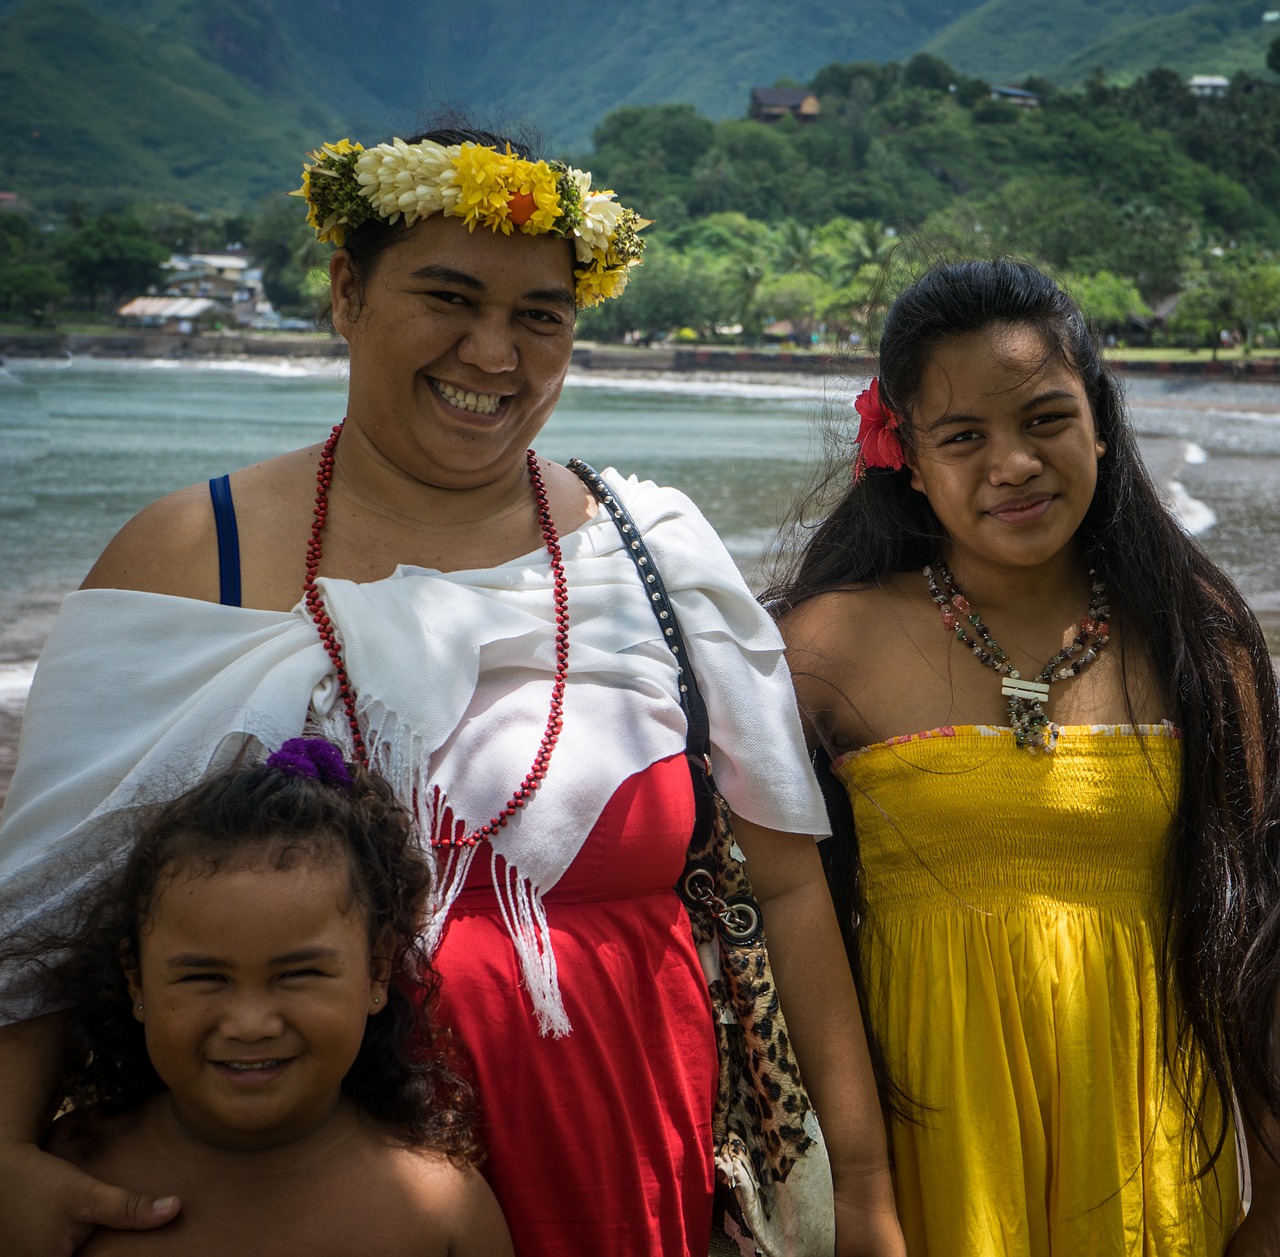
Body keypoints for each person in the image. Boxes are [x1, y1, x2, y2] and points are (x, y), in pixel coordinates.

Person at [0, 127, 903, 1256]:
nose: (493, 352)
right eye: (447, 296)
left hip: (626, 1164)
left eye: (540, 315)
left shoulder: (653, 550)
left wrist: (860, 1195)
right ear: (345, 293)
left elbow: (783, 890)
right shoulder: (193, 554)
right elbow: (40, 920)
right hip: (289, 1206)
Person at [772, 258, 1280, 1255]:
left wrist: (1274, 1200)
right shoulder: (826, 649)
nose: (1010, 463)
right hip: (925, 1153)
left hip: (1151, 1145)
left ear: (1098, 421)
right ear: (906, 457)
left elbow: (1257, 933)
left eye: (1044, 419)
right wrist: (861, 1195)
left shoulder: (1194, 638)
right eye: (963, 437)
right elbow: (784, 935)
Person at [3, 736, 512, 1255]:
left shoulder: (441, 1208)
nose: (249, 1024)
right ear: (135, 980)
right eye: (205, 978)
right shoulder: (57, 1186)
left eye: (299, 974)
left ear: (377, 971)